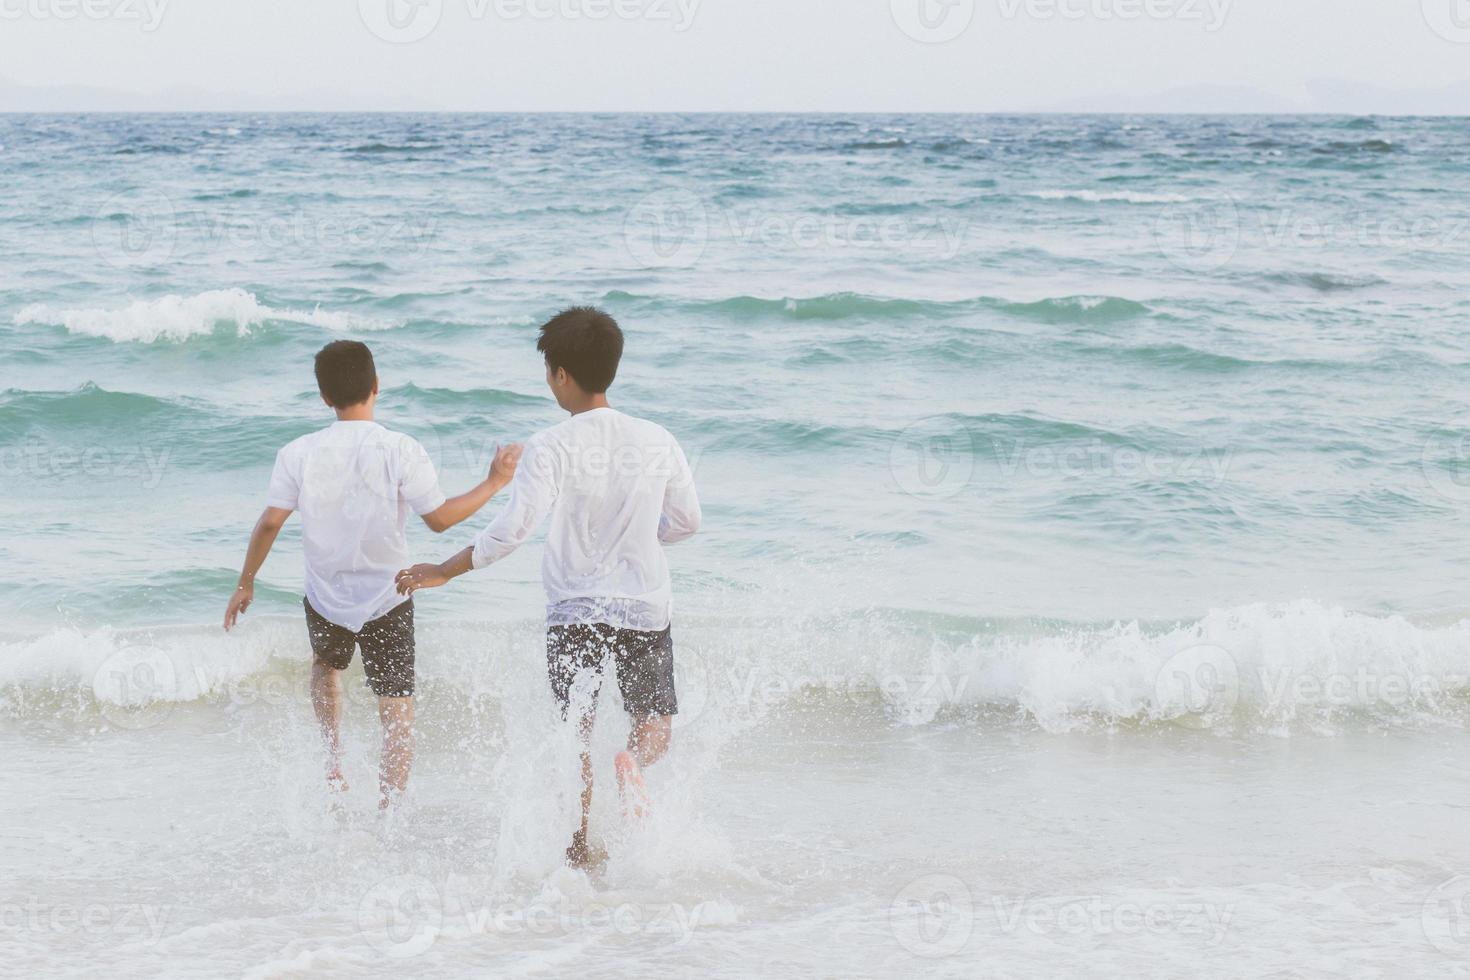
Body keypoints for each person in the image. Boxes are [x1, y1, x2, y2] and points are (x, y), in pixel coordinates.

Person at [394, 307, 701, 868]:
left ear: (561, 374)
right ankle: (632, 762)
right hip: (644, 607)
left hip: (574, 610)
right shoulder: (659, 438)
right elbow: (687, 522)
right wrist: (637, 538)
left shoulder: (550, 444)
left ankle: (579, 846)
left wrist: (445, 569)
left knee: (575, 735)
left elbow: (512, 531)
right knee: (654, 725)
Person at [223, 340, 521, 811]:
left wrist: (246, 582)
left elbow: (270, 522)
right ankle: (389, 810)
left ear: (324, 398)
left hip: (325, 593)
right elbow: (440, 519)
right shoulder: (400, 448)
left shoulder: (297, 452)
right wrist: (495, 483)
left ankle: (333, 761)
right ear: (376, 386)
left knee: (326, 668)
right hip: (390, 592)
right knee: (396, 701)